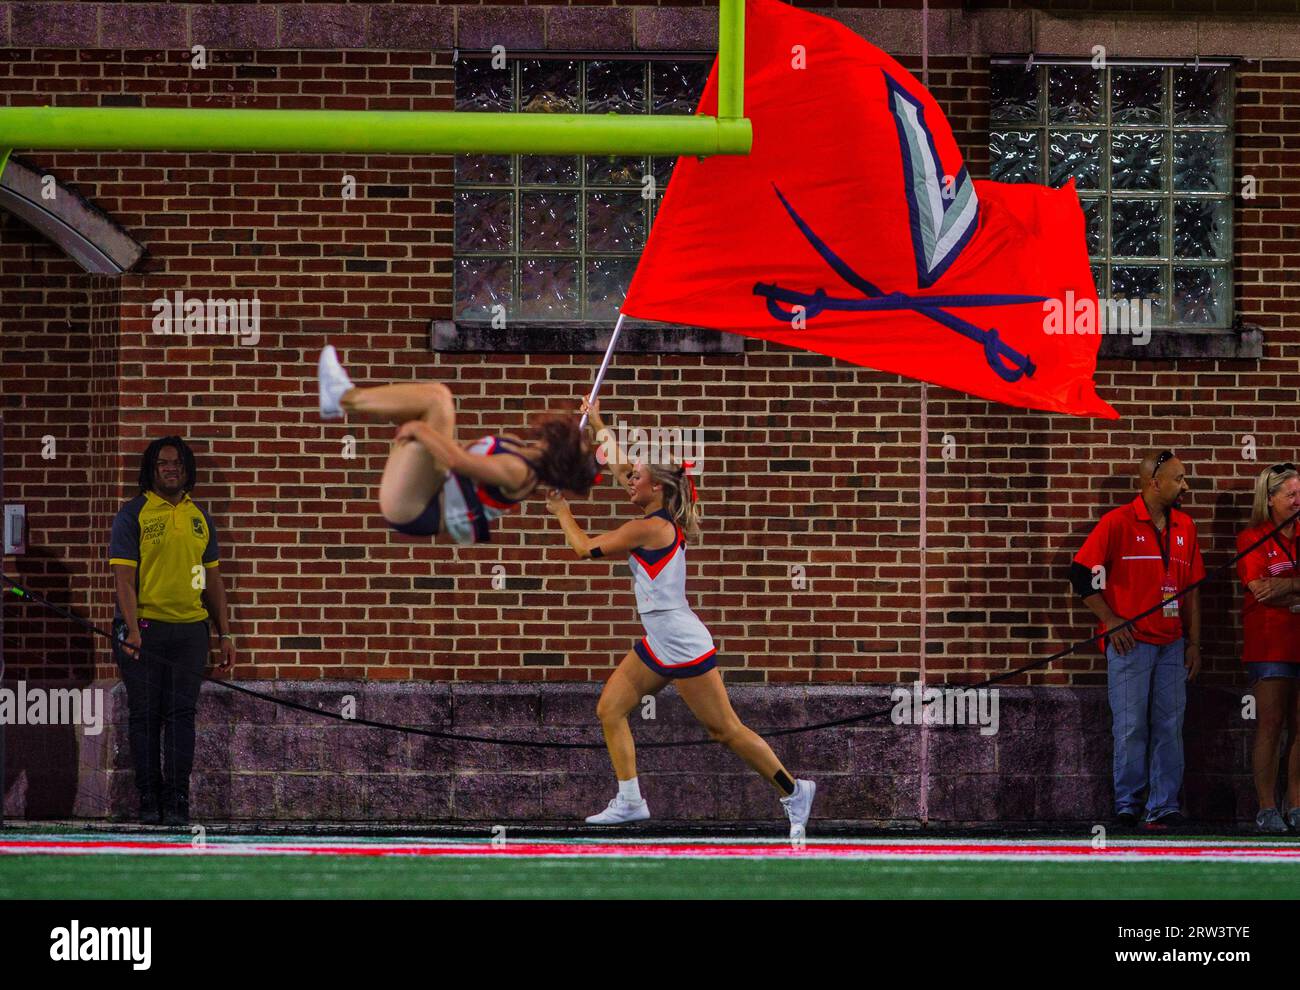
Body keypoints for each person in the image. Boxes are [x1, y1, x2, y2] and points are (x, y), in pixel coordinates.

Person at [546, 400, 815, 838]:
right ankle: (630, 800)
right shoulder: (654, 515)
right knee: (610, 709)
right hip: (659, 637)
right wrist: (596, 422)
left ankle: (794, 791)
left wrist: (562, 513)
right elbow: (617, 467)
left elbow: (585, 549)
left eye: (638, 478)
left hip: (681, 639)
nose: (628, 481)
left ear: (656, 489)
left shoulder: (649, 528)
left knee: (724, 729)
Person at [318, 345, 596, 542]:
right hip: (431, 484)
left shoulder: (519, 472)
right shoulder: (516, 445)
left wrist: (419, 429)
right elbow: (453, 451)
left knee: (436, 402)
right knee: (437, 400)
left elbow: (457, 461)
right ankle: (342, 399)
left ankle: (344, 397)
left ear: (563, 454)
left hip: (417, 508)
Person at [1070, 449, 1204, 831]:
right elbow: (1081, 575)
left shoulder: (1185, 527)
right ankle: (1128, 804)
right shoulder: (1118, 523)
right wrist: (1111, 620)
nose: (1185, 486)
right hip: (1131, 645)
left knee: (1169, 725)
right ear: (1153, 483)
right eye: (1179, 479)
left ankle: (1164, 805)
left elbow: (1193, 590)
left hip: (1172, 644)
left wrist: (1194, 642)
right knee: (1130, 726)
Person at [110, 436, 235, 826]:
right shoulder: (134, 514)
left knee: (182, 716)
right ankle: (149, 800)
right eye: (163, 463)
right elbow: (124, 579)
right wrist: (132, 629)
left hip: (190, 631)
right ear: (151, 469)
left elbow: (213, 581)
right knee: (145, 715)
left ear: (187, 470)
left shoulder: (201, 518)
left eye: (178, 464)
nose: (171, 469)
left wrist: (224, 633)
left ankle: (178, 800)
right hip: (143, 630)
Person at [1235, 463, 1300, 833]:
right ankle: (1266, 807)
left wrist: (1285, 588)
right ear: (1270, 498)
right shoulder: (1252, 538)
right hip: (1269, 644)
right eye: (1290, 494)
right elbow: (1258, 589)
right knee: (1271, 724)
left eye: (1299, 493)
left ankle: (1296, 803)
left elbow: (1271, 589)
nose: (1297, 500)